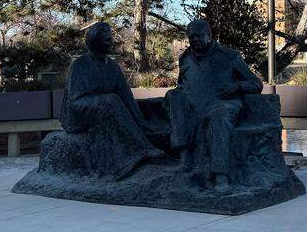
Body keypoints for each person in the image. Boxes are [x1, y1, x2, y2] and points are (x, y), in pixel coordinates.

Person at [57, 22, 163, 179]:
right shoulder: (80, 65)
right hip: (78, 111)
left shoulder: (113, 66)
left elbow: (126, 96)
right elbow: (74, 99)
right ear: (95, 41)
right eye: (106, 40)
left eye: (110, 39)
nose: (110, 42)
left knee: (135, 104)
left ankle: (145, 142)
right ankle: (141, 149)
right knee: (111, 100)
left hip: (103, 106)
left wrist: (142, 121)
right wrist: (102, 100)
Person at [166, 19, 262, 189]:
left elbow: (256, 84)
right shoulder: (185, 59)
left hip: (223, 103)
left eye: (198, 36)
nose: (194, 40)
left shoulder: (229, 56)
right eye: (191, 37)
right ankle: (184, 157)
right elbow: (182, 85)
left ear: (209, 35)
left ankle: (220, 175)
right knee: (174, 96)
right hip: (195, 103)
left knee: (219, 117)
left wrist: (237, 86)